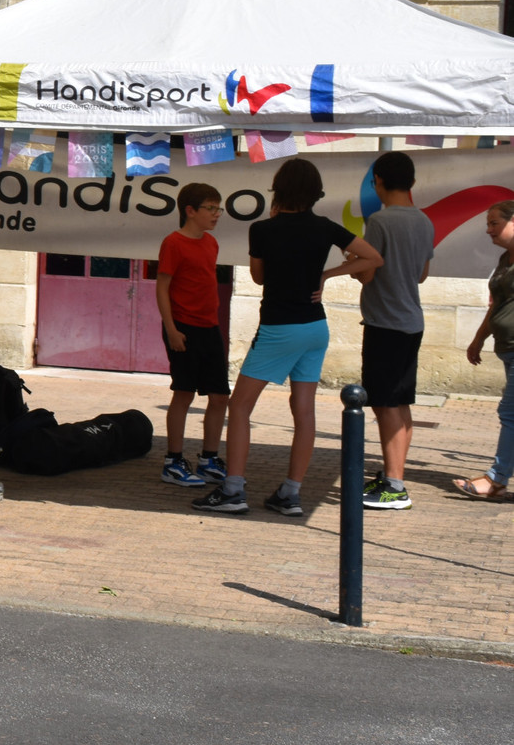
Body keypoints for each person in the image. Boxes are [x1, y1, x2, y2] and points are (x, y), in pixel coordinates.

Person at [194, 159, 383, 516]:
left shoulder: (263, 229)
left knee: (239, 407)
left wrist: (277, 226)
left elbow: (259, 277)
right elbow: (373, 257)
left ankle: (233, 489)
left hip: (279, 326)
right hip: (315, 327)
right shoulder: (325, 227)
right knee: (304, 411)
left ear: (278, 190)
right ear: (315, 192)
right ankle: (291, 493)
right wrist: (327, 274)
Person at [353, 151, 434, 510]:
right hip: (411, 321)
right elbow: (421, 274)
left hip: (385, 322)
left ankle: (396, 485)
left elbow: (369, 272)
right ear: (412, 183)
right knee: (399, 403)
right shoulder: (424, 221)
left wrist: (354, 267)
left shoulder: (380, 221)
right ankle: (392, 476)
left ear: (378, 182)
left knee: (385, 405)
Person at [155, 182, 229, 487]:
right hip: (182, 328)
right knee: (183, 393)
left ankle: (209, 458)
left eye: (218, 208)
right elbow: (162, 287)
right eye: (210, 208)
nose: (216, 214)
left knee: (220, 395)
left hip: (209, 327)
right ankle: (173, 461)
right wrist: (172, 329)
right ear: (190, 211)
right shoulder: (173, 243)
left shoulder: (211, 243)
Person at [453, 200, 514, 500]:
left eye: (495, 223)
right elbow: (497, 306)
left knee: (510, 412)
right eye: (488, 223)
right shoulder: (505, 260)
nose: (488, 229)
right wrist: (479, 338)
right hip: (508, 348)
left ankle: (496, 479)